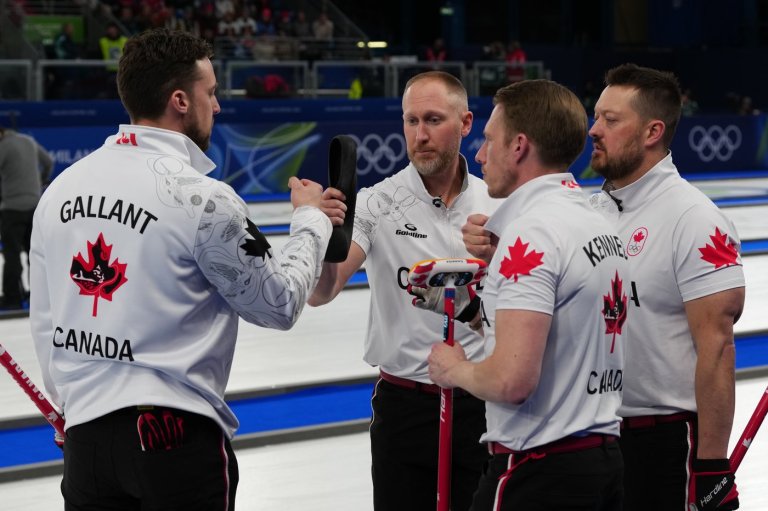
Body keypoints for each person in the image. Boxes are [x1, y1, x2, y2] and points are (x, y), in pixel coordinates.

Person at [28, 28, 343, 510]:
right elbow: (278, 303)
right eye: (211, 93)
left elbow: (45, 322)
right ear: (180, 100)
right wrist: (311, 220)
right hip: (172, 435)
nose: (217, 107)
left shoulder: (60, 191)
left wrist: (74, 408)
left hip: (86, 441)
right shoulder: (200, 198)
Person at [428, 79, 627, 510]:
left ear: (518, 146)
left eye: (488, 140)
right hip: (603, 460)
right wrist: (473, 306)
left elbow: (511, 380)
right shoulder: (597, 221)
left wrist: (453, 369)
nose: (479, 155)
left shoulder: (531, 234)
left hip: (539, 470)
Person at [308, 70, 499, 511]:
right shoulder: (377, 202)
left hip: (481, 403)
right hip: (404, 406)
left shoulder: (498, 203)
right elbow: (325, 290)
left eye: (433, 120)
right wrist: (323, 236)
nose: (420, 134)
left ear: (466, 123)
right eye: (411, 121)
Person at [588, 63, 745, 510]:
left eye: (610, 120)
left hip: (665, 444)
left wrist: (711, 463)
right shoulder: (591, 213)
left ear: (652, 131)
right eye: (596, 116)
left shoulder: (694, 218)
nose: (594, 130)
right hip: (593, 436)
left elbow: (717, 348)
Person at [0, 125, 52, 310]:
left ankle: (13, 298)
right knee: (36, 256)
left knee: (12, 255)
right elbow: (48, 162)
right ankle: (38, 298)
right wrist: (41, 182)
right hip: (35, 207)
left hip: (12, 209)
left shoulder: (3, 147)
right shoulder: (28, 141)